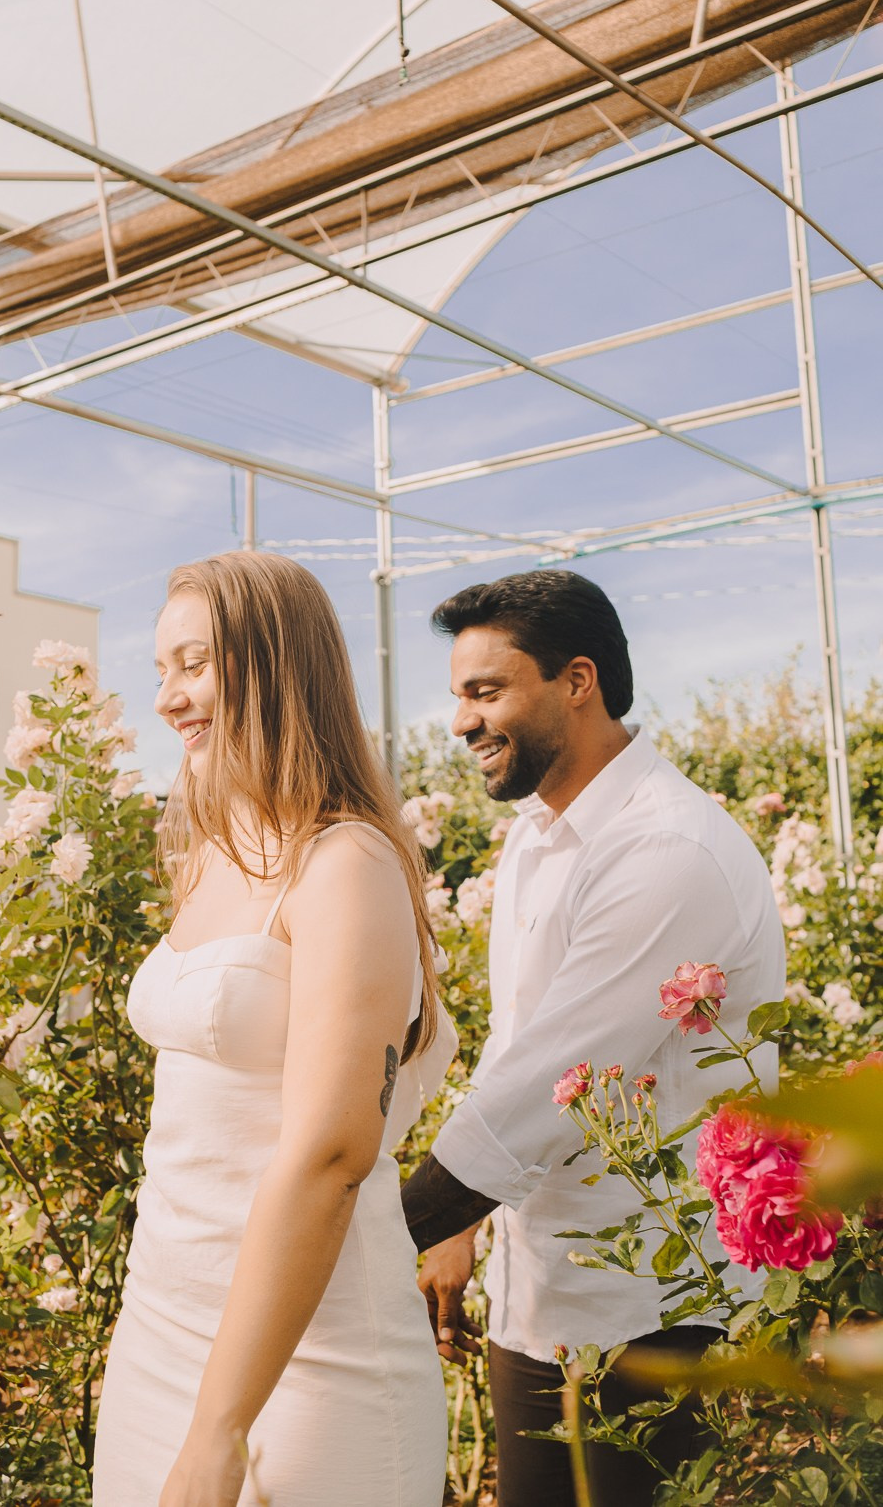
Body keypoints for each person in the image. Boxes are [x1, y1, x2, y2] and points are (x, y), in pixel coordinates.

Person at [401, 570, 786, 1507]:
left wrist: (381, 1232)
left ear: (578, 681)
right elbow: (519, 1049)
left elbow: (555, 1077)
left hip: (657, 1310)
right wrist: (464, 1233)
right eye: (459, 695)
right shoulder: (537, 837)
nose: (460, 722)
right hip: (539, 1288)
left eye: (486, 691)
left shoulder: (667, 849)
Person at [93, 551, 456, 1507]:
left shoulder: (346, 864)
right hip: (160, 1328)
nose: (170, 698)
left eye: (196, 664)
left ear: (277, 666)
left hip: (311, 1365)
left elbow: (331, 1156)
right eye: (162, 670)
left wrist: (219, 1431)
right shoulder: (207, 852)